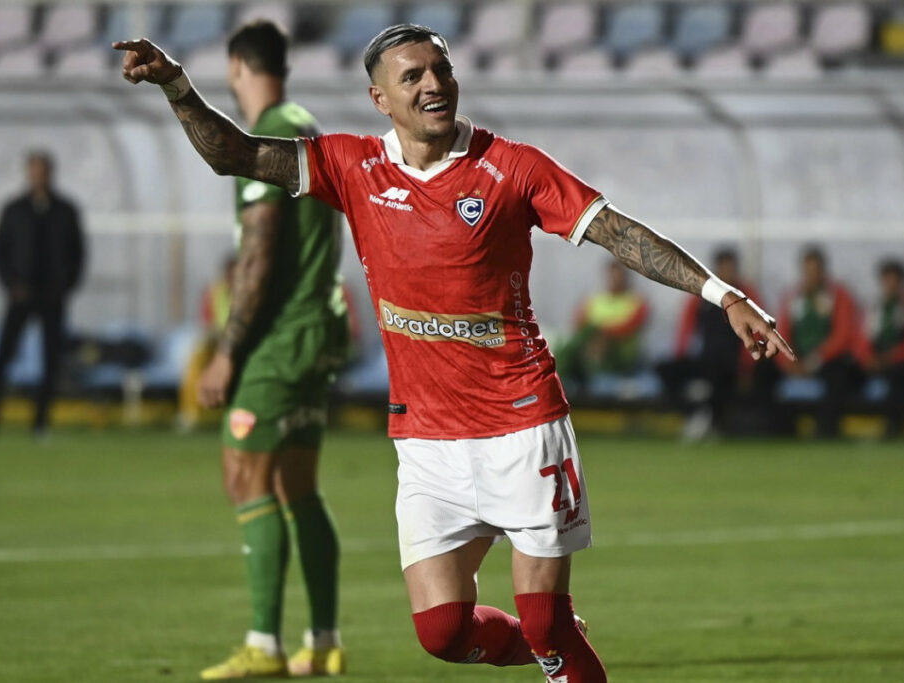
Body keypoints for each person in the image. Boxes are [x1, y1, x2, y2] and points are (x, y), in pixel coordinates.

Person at [114, 24, 793, 682]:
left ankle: (555, 642)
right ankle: (551, 644)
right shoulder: (352, 165)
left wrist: (723, 293)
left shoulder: (511, 167)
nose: (434, 84)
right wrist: (176, 83)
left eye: (442, 69)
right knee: (441, 632)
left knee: (545, 620)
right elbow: (233, 154)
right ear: (381, 98)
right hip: (427, 440)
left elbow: (615, 231)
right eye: (413, 76)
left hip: (522, 425)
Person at [181, 22, 351, 680]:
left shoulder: (267, 132)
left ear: (235, 67)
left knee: (245, 476)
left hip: (279, 338)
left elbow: (257, 249)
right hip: (318, 330)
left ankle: (265, 644)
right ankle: (325, 640)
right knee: (299, 485)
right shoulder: (307, 123)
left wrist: (228, 349)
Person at [0, 150, 85, 437]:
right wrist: (12, 285)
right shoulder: (14, 210)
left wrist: (64, 286)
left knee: (50, 360)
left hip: (52, 297)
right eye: (34, 171)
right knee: (3, 357)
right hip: (19, 295)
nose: (38, 177)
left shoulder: (66, 210)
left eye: (43, 171)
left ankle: (40, 422)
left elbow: (78, 254)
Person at [657, 248, 767, 437]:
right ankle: (696, 409)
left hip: (732, 362)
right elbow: (686, 328)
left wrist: (747, 367)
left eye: (731, 268)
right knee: (665, 369)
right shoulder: (703, 295)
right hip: (706, 359)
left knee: (720, 373)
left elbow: (758, 333)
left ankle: (710, 417)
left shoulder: (747, 296)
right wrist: (682, 355)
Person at [776, 247, 861, 437]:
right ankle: (776, 429)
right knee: (763, 372)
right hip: (798, 358)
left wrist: (814, 360)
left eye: (816, 270)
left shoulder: (838, 295)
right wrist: (789, 362)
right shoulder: (793, 297)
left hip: (828, 359)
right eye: (808, 271)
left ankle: (826, 429)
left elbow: (843, 335)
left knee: (838, 375)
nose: (812, 276)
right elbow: (782, 331)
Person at [859, 258, 904, 437]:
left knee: (897, 374)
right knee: (844, 372)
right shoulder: (876, 309)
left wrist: (892, 356)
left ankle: (893, 425)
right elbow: (861, 339)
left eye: (894, 281)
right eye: (887, 280)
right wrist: (869, 359)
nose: (890, 286)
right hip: (882, 362)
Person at [557, 260, 648, 386]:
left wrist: (603, 333)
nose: (615, 280)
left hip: (620, 357)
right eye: (613, 276)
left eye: (619, 277)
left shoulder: (636, 301)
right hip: (591, 351)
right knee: (568, 346)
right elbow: (579, 325)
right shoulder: (593, 300)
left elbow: (630, 327)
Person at [178, 254, 236, 430]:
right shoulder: (215, 292)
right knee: (196, 356)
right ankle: (191, 414)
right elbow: (207, 322)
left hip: (240, 342)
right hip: (218, 342)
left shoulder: (251, 291)